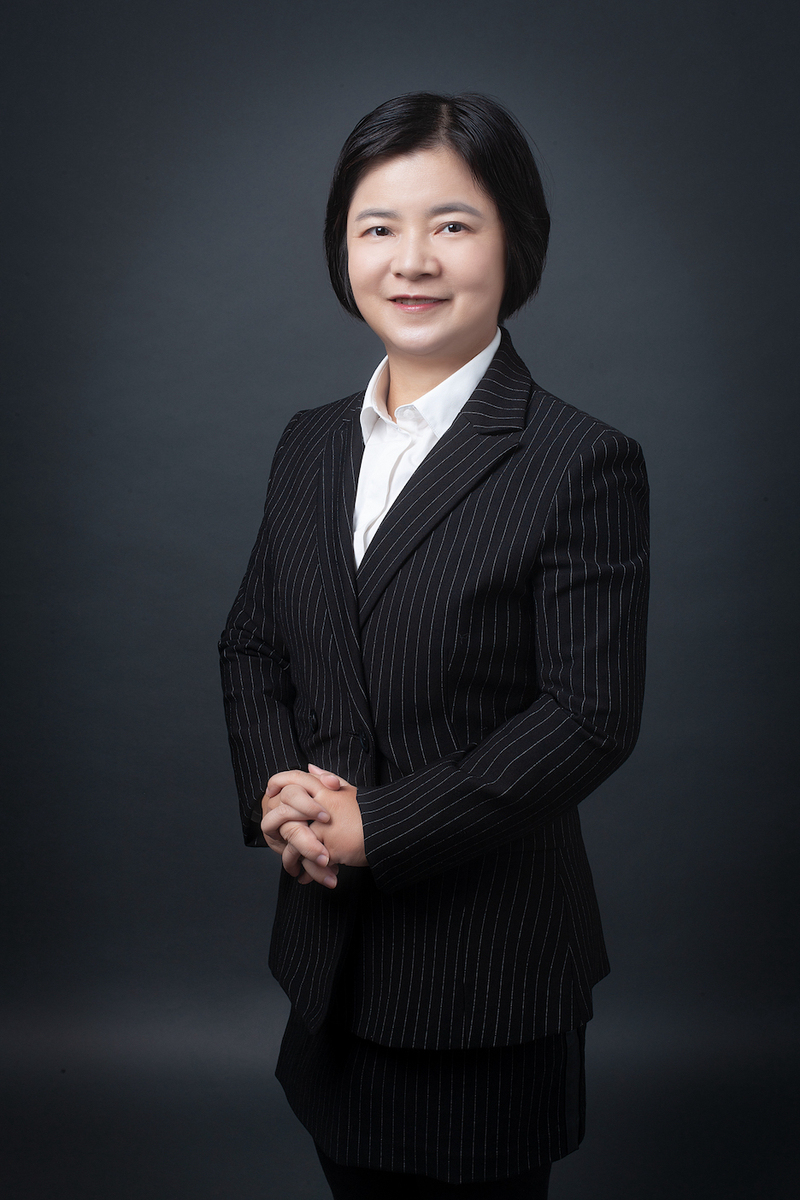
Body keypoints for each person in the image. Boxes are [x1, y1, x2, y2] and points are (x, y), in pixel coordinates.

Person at [219, 92, 649, 1199]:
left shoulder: (578, 460)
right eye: (378, 227)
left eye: (452, 224)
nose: (411, 260)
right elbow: (252, 646)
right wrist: (280, 796)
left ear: (516, 241)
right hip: (328, 958)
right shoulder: (309, 444)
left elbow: (587, 718)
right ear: (343, 248)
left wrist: (380, 826)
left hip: (483, 977)